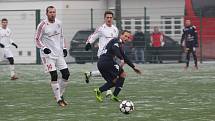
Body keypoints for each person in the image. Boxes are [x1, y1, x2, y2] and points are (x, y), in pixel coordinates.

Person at [35, 6, 70, 107]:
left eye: (54, 12)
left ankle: (60, 95)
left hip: (58, 53)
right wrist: (44, 48)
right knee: (54, 75)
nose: (52, 14)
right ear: (46, 14)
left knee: (66, 74)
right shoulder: (42, 25)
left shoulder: (59, 23)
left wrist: (63, 48)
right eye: (50, 12)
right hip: (47, 55)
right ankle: (59, 100)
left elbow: (62, 36)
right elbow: (37, 39)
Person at [94, 30, 142, 102]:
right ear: (121, 35)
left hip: (101, 63)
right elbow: (114, 48)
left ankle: (99, 91)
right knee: (123, 74)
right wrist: (121, 59)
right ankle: (114, 95)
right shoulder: (116, 41)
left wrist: (133, 67)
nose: (126, 38)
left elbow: (124, 57)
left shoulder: (119, 44)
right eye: (125, 36)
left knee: (114, 81)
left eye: (128, 37)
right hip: (107, 62)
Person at [85, 11, 119, 97]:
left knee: (106, 72)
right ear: (104, 18)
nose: (109, 19)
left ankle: (90, 74)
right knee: (110, 72)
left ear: (113, 18)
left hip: (111, 55)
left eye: (110, 17)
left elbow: (116, 42)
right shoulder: (101, 28)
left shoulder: (115, 29)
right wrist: (88, 43)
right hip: (102, 54)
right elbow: (93, 36)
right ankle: (108, 91)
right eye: (107, 17)